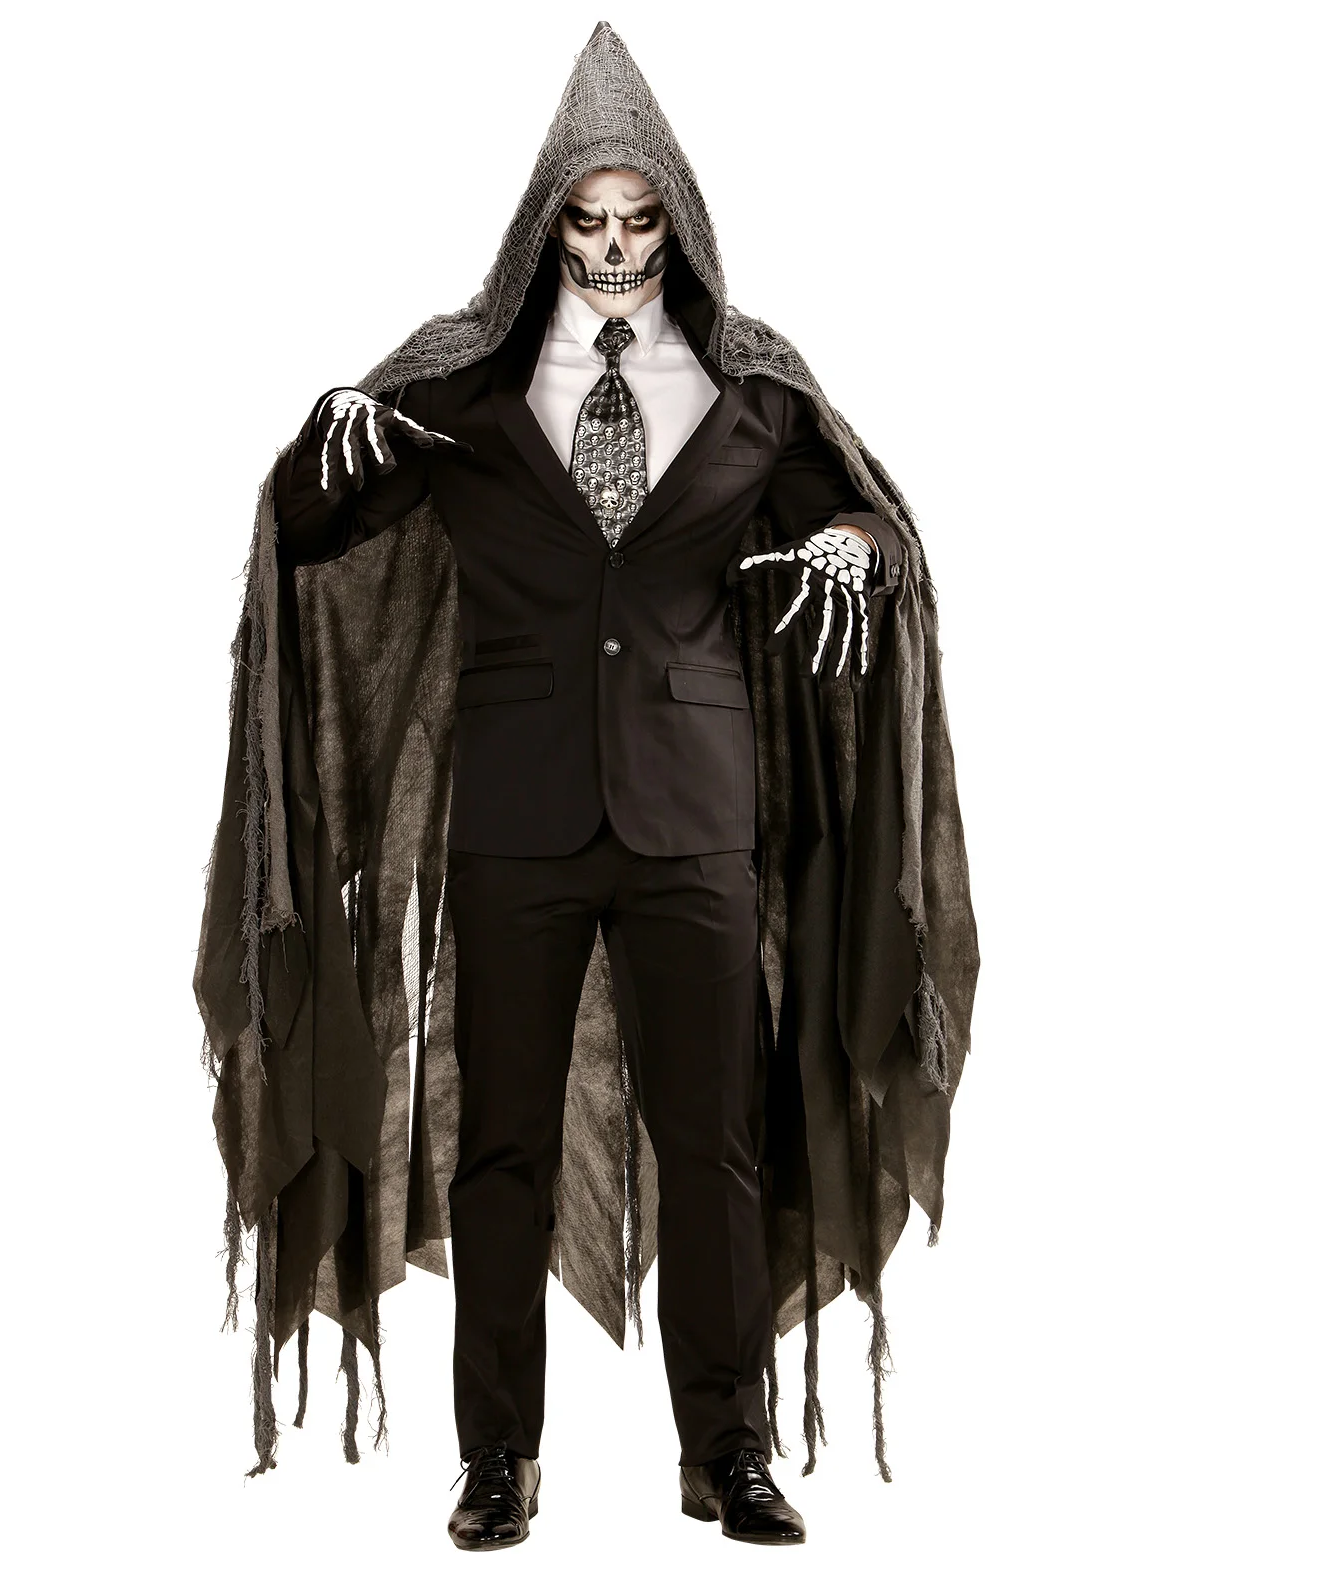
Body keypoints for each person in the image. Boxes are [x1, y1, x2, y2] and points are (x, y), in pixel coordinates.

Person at [193, 20, 978, 1555]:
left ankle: (729, 1452)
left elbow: (874, 525)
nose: (615, 251)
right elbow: (308, 532)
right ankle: (499, 1458)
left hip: (698, 818)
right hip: (519, 821)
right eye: (589, 221)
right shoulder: (466, 386)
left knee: (717, 1146)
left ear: (676, 221)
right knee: (502, 1150)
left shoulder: (753, 388)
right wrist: (328, 433)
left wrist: (848, 543)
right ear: (546, 224)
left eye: (638, 221)